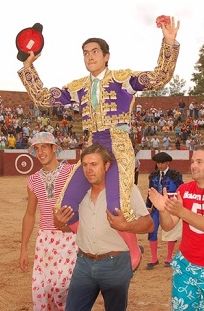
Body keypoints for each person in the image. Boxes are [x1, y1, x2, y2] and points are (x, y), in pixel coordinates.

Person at [18, 16, 180, 271]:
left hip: (118, 146)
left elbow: (159, 77)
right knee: (65, 206)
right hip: (92, 147)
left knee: (116, 206)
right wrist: (28, 65)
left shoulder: (122, 80)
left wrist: (168, 41)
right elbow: (42, 98)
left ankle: (132, 247)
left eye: (95, 52)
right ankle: (89, 241)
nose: (89, 56)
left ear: (106, 56)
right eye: (85, 53)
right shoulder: (78, 87)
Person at [53, 144, 154, 311]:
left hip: (115, 263)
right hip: (83, 263)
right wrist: (59, 223)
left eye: (94, 164)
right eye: (85, 165)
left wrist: (126, 225)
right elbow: (74, 225)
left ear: (107, 166)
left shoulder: (126, 191)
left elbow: (149, 225)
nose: (88, 169)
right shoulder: (78, 194)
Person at [148, 144, 204, 310]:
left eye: (199, 162)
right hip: (186, 267)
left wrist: (182, 211)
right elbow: (168, 226)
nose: (193, 165)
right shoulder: (184, 189)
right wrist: (163, 211)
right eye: (193, 161)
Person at [19, 132, 77, 310]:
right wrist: (23, 249)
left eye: (44, 147)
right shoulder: (33, 180)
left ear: (54, 148)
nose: (40, 152)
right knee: (41, 291)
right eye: (37, 149)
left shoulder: (71, 172)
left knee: (63, 290)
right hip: (44, 241)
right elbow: (30, 214)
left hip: (69, 239)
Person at [145, 152, 183, 270]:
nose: (160, 165)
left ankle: (169, 257)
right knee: (152, 230)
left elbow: (180, 190)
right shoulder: (153, 176)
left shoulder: (176, 175)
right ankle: (154, 258)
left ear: (168, 163)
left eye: (162, 163)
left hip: (170, 206)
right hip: (156, 207)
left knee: (170, 231)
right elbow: (150, 191)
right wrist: (148, 206)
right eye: (158, 163)